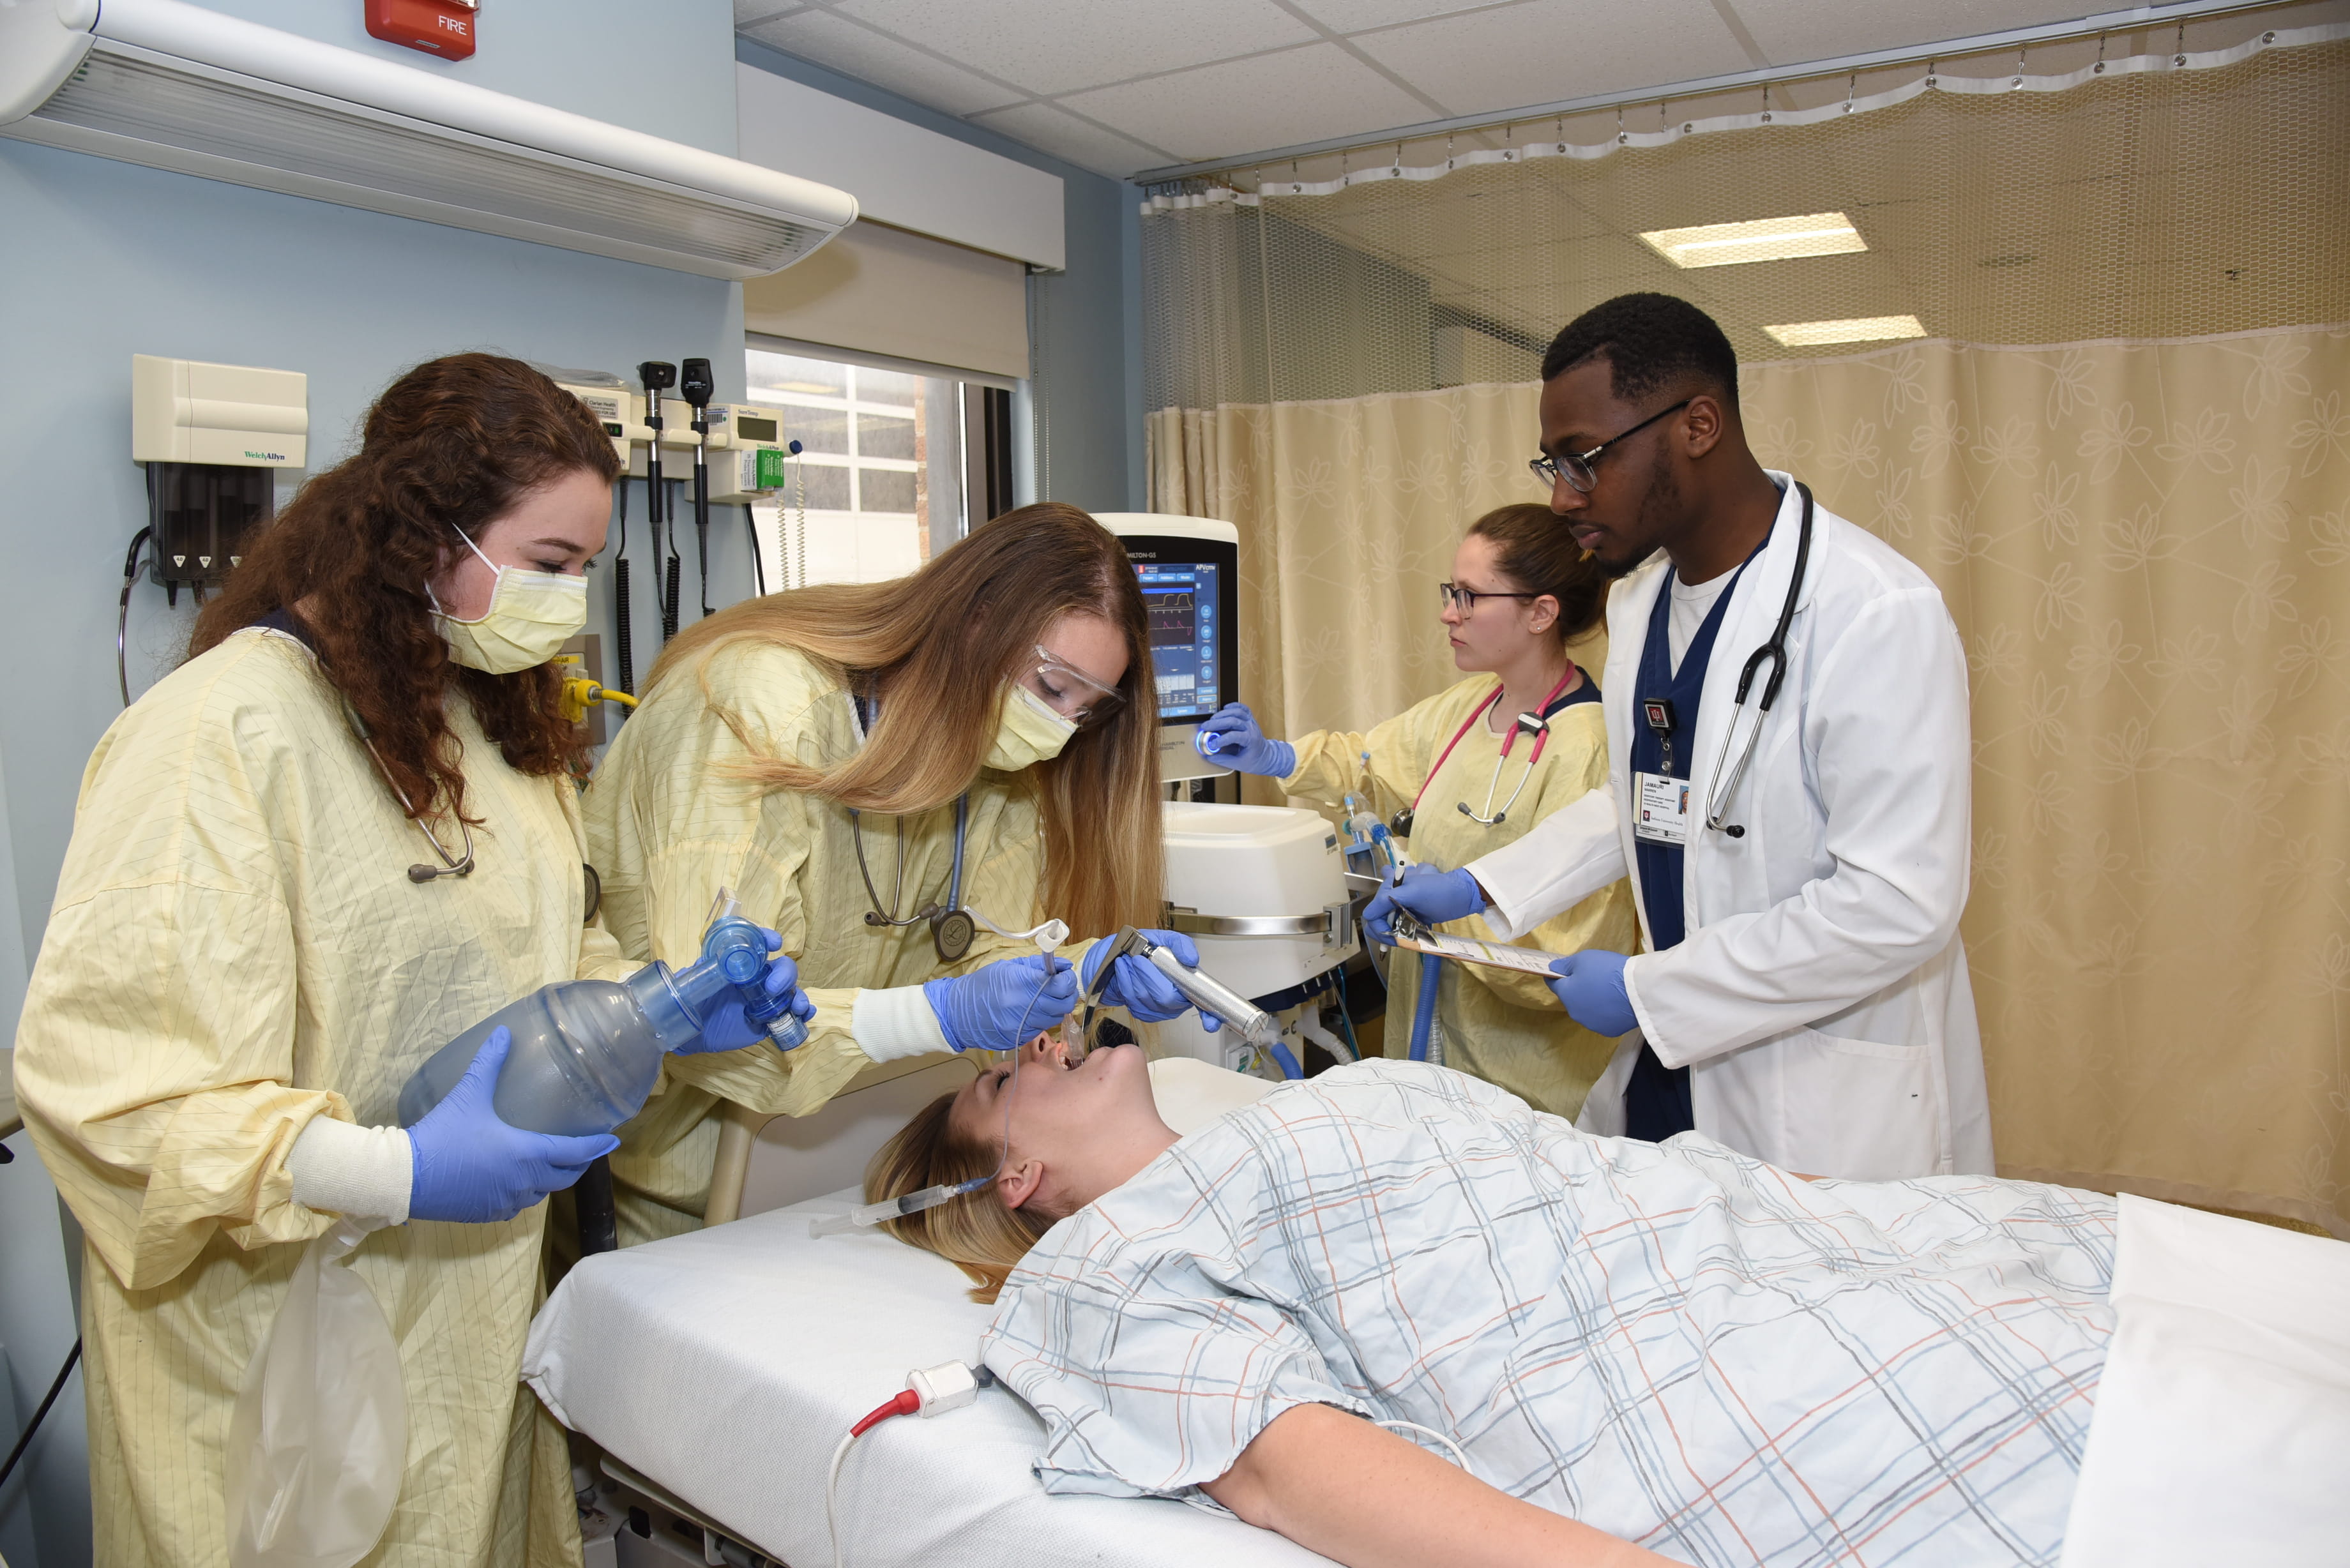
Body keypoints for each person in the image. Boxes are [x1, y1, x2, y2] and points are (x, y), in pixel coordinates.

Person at [12, 355, 800, 1566]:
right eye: (548, 565)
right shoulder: (217, 736)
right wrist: (391, 1169)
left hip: (464, 1325)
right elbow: (114, 1093)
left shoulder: (492, 725)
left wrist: (668, 1007)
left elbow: (548, 944)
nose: (569, 605)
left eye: (584, 570)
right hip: (272, 1355)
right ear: (423, 535)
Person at [867, 1037, 2116, 1567]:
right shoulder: (1100, 1270)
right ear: (1015, 1177)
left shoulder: (1261, 1120)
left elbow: (1582, 1171)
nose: (1039, 1043)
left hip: (1769, 1241)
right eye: (1000, 1076)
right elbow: (1275, 1462)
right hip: (1697, 1368)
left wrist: (1836, 1214)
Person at [1367, 293, 1989, 1180]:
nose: (1563, 497)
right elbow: (1648, 799)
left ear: (1699, 424)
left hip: (1817, 1090)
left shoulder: (1872, 611)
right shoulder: (1639, 600)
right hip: (1681, 1070)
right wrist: (1485, 884)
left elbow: (1898, 904)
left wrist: (1652, 990)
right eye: (1554, 464)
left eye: (1586, 461)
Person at [580, 503, 1218, 1249]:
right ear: (976, 620)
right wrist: (936, 1014)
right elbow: (715, 1006)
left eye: (1085, 709)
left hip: (849, 1162)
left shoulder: (997, 759)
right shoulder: (758, 707)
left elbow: (987, 953)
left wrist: (1085, 969)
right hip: (682, 1186)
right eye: (1052, 687)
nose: (1058, 730)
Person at [1189, 503, 1638, 1116]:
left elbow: (1561, 964)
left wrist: (1445, 919)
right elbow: (1368, 764)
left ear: (1541, 612)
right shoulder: (1473, 705)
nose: (1448, 613)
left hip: (1523, 1087)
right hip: (1428, 1053)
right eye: (1451, 592)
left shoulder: (1588, 747)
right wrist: (1275, 757)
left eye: (1470, 597)